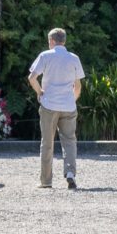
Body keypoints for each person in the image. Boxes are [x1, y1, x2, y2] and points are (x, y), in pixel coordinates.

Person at [27, 28, 86, 190]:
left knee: (47, 142)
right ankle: (70, 173)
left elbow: (32, 78)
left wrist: (40, 92)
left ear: (51, 41)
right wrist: (72, 100)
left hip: (49, 104)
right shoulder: (74, 58)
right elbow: (78, 86)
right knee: (69, 141)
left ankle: (46, 181)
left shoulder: (45, 56)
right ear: (64, 41)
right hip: (68, 105)